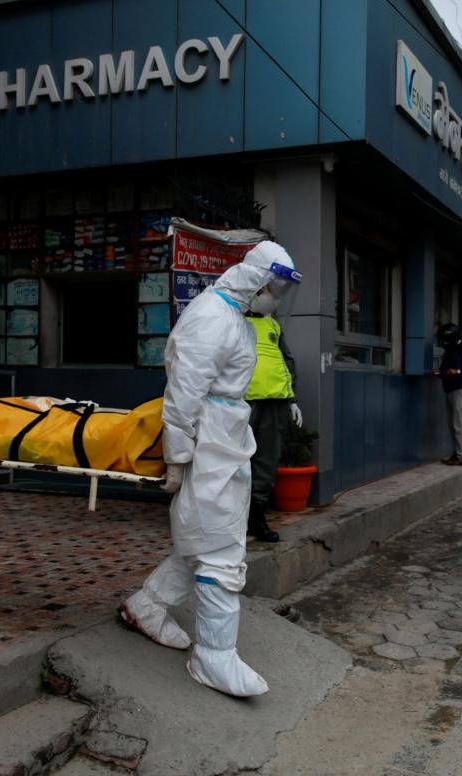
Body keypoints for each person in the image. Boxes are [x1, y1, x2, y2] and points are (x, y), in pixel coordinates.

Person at [119, 240, 301, 697]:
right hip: (208, 442)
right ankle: (214, 656)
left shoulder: (235, 316)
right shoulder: (212, 318)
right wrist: (178, 457)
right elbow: (183, 396)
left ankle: (146, 606)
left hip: (225, 436)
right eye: (274, 285)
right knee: (220, 549)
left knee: (203, 538)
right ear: (254, 277)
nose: (276, 295)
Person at [244, 312, 302, 543]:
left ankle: (257, 518)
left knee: (266, 460)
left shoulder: (272, 324)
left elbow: (287, 361)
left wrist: (292, 400)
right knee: (233, 459)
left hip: (276, 400)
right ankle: (230, 518)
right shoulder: (232, 317)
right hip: (241, 400)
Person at [434, 323, 462, 466]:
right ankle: (457, 453)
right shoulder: (450, 349)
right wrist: (438, 373)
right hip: (451, 389)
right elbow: (445, 370)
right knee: (453, 424)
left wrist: (457, 371)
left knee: (459, 424)